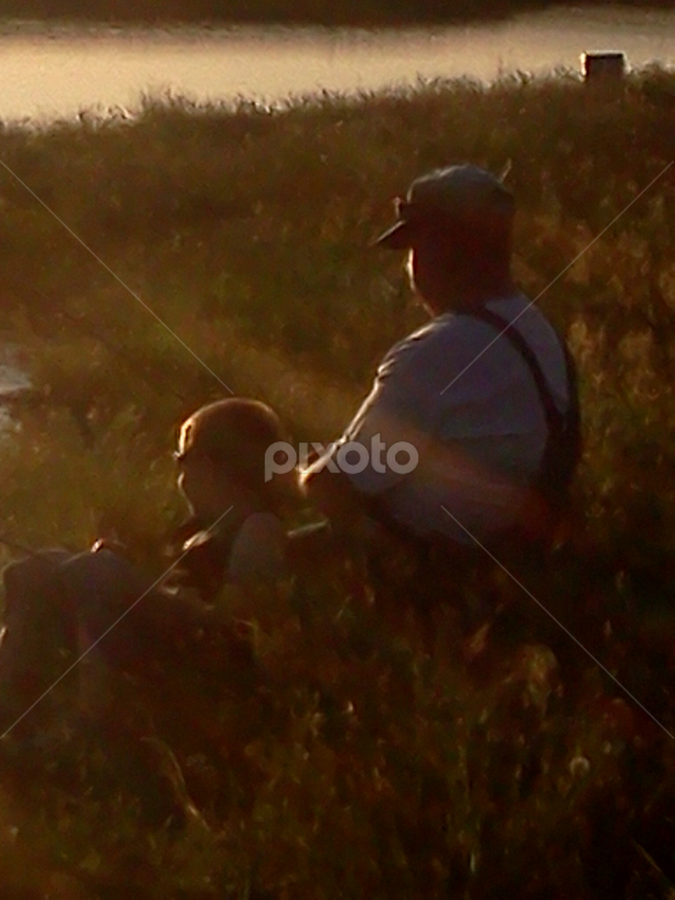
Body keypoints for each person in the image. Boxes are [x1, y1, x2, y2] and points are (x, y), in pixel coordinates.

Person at [0, 397, 303, 827]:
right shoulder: (201, 529)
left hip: (217, 659)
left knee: (96, 571)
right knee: (33, 570)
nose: (180, 478)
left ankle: (91, 725)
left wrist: (124, 580)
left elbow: (238, 623)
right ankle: (11, 712)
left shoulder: (258, 528)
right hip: (186, 637)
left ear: (215, 464)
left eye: (184, 461)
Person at [302, 164, 580, 567]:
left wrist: (300, 474)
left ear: (439, 248)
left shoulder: (434, 352)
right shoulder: (541, 333)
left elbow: (338, 486)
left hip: (429, 574)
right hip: (523, 562)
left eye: (413, 247)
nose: (410, 267)